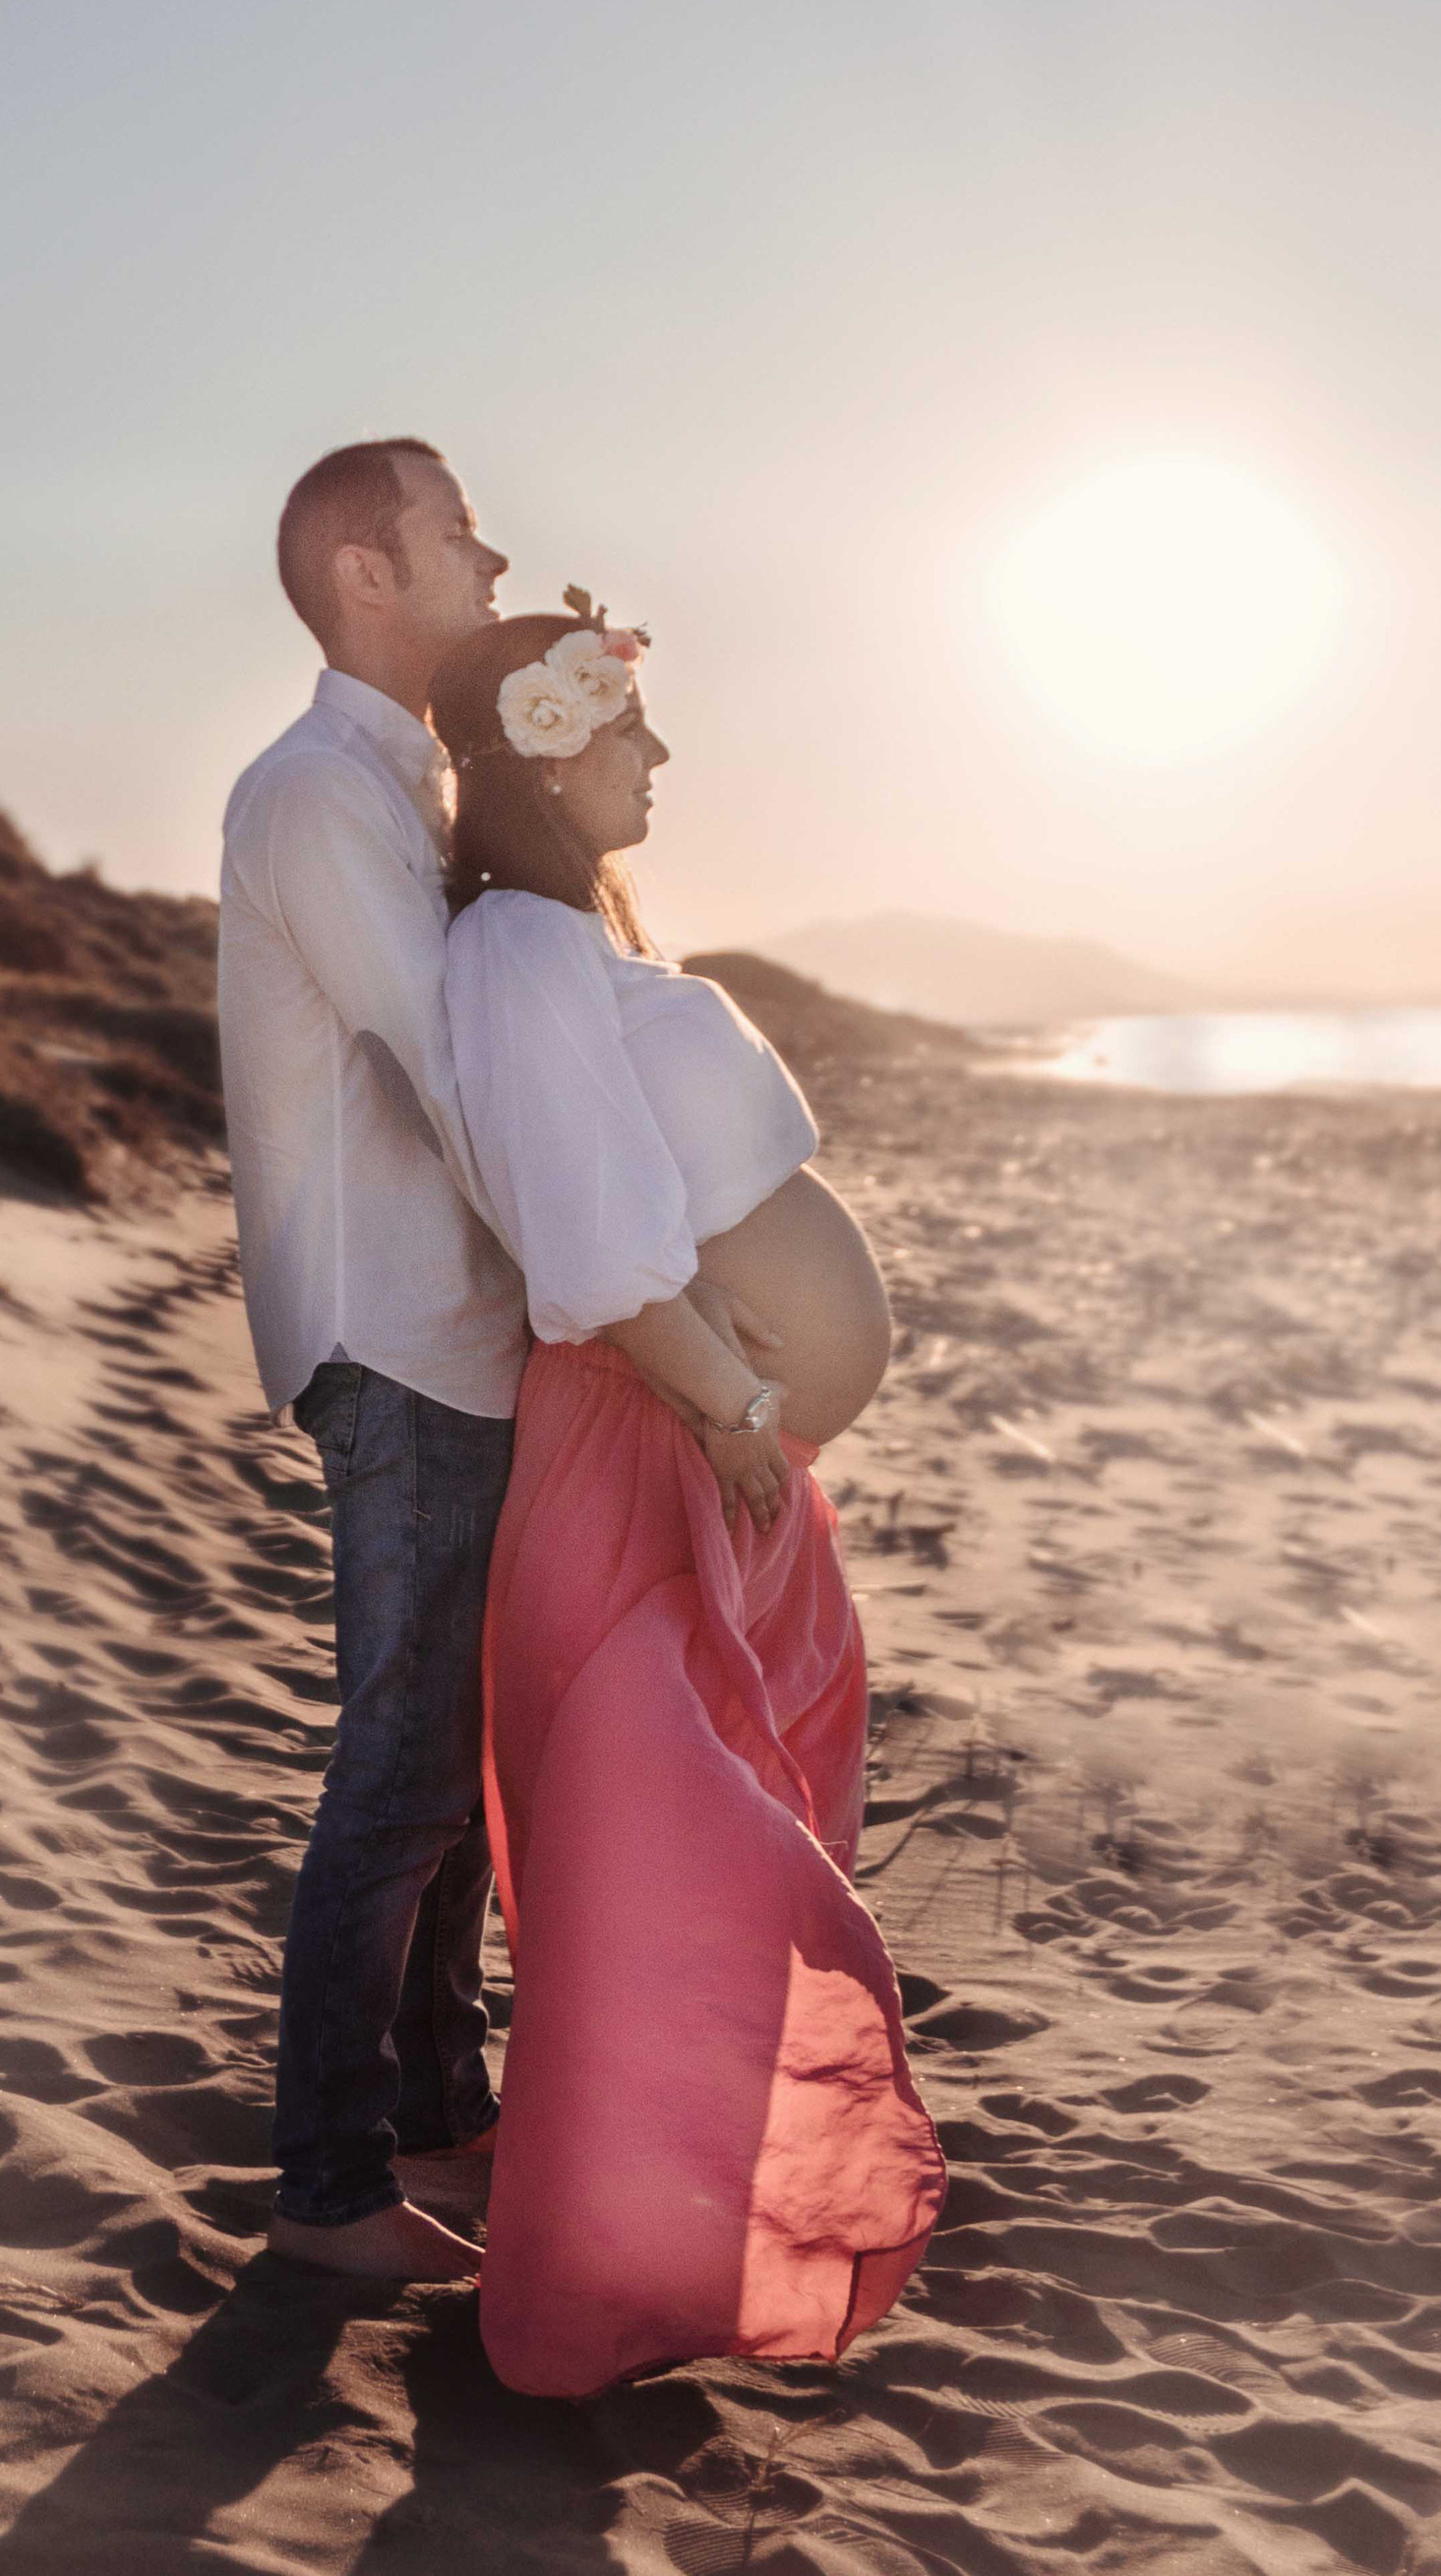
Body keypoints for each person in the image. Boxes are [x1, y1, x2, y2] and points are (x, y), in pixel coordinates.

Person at [432, 601, 947, 2395]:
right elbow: (580, 1230)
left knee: (734, 1810)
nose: (658, 759)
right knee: (661, 1848)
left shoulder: (568, 942)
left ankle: (686, 2226)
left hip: (705, 1441)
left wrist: (746, 1404)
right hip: (651, 1442)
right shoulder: (510, 947)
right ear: (555, 747)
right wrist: (731, 1395)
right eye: (633, 731)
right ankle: (600, 2282)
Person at [216, 438, 528, 2283]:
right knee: (404, 1769)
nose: (491, 561)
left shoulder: (406, 781)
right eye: (455, 535)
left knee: (457, 1764)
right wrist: (611, 1274)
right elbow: (445, 1057)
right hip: (390, 1330)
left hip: (455, 1332)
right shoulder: (319, 794)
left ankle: (438, 2110)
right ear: (363, 573)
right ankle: (329, 2188)